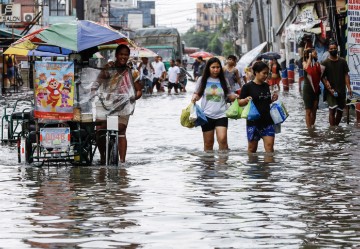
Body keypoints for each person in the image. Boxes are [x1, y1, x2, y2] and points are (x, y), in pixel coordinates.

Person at [94, 44, 143, 164]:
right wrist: (92, 92)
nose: (123, 56)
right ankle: (102, 156)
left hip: (124, 105)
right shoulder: (108, 68)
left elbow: (139, 90)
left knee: (121, 130)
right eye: (121, 54)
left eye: (126, 54)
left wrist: (133, 98)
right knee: (99, 129)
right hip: (106, 103)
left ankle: (122, 162)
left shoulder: (132, 72)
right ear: (116, 55)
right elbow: (97, 83)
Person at [191, 57, 238, 151]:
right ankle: (208, 165)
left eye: (218, 67)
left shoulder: (224, 80)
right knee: (208, 144)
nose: (216, 70)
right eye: (213, 67)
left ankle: (223, 164)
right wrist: (194, 97)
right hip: (206, 115)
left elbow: (228, 95)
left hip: (222, 114)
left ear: (220, 68)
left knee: (223, 140)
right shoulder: (202, 80)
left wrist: (235, 96)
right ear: (208, 68)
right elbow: (198, 94)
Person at [238, 61, 278, 153]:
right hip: (253, 122)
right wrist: (245, 100)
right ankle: (253, 167)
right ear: (256, 72)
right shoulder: (247, 87)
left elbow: (266, 102)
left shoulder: (266, 86)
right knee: (252, 150)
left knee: (270, 149)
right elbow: (239, 103)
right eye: (264, 73)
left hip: (267, 121)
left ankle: (268, 167)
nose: (266, 76)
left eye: (267, 73)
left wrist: (272, 99)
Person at [321, 41, 352, 126]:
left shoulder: (342, 61)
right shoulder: (325, 63)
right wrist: (328, 86)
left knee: (340, 111)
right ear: (328, 50)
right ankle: (332, 130)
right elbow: (322, 77)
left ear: (337, 49)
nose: (333, 50)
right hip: (330, 91)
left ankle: (336, 128)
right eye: (331, 49)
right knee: (332, 110)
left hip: (341, 89)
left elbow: (346, 75)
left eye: (334, 48)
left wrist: (349, 87)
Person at [302, 48, 322, 128]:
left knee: (314, 111)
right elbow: (306, 68)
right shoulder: (304, 62)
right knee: (308, 111)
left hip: (316, 89)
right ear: (309, 54)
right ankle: (309, 129)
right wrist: (310, 58)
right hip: (307, 90)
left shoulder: (317, 64)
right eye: (315, 53)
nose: (316, 54)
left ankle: (312, 127)